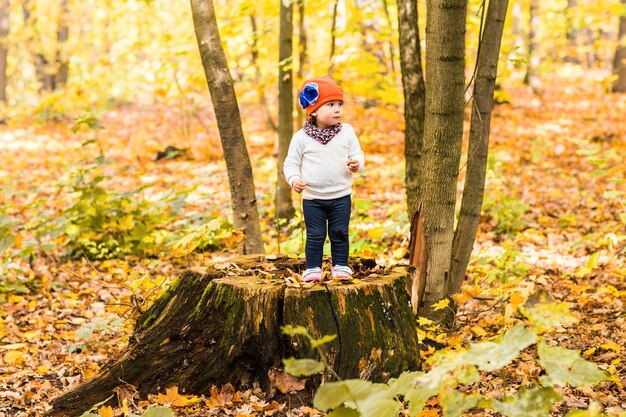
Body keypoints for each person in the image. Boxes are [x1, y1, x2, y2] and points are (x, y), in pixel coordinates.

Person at [283, 77, 365, 283]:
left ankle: (341, 265)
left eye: (340, 105)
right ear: (314, 110)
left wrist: (357, 163)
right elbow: (290, 163)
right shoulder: (301, 137)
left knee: (339, 232)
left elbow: (358, 153)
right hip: (313, 198)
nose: (337, 109)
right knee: (315, 234)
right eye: (330, 105)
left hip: (341, 196)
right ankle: (313, 268)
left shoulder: (346, 132)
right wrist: (294, 179)